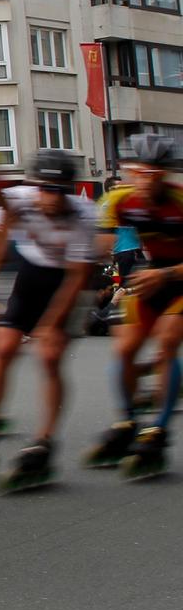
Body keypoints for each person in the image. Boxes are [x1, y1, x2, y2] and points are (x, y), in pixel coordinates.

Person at [0, 149, 95, 488]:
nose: (51, 198)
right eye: (44, 189)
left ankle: (44, 440)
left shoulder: (83, 215)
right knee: (2, 348)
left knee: (50, 356)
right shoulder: (17, 199)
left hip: (67, 281)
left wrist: (50, 325)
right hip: (31, 273)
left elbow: (77, 278)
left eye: (59, 191)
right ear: (33, 187)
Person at [88, 134, 183, 475]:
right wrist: (108, 279)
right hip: (151, 273)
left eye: (153, 174)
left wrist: (165, 274)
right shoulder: (119, 200)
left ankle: (158, 429)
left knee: (168, 342)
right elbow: (103, 249)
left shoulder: (179, 200)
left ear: (164, 174)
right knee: (125, 349)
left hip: (177, 276)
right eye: (138, 172)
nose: (145, 181)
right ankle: (128, 421)